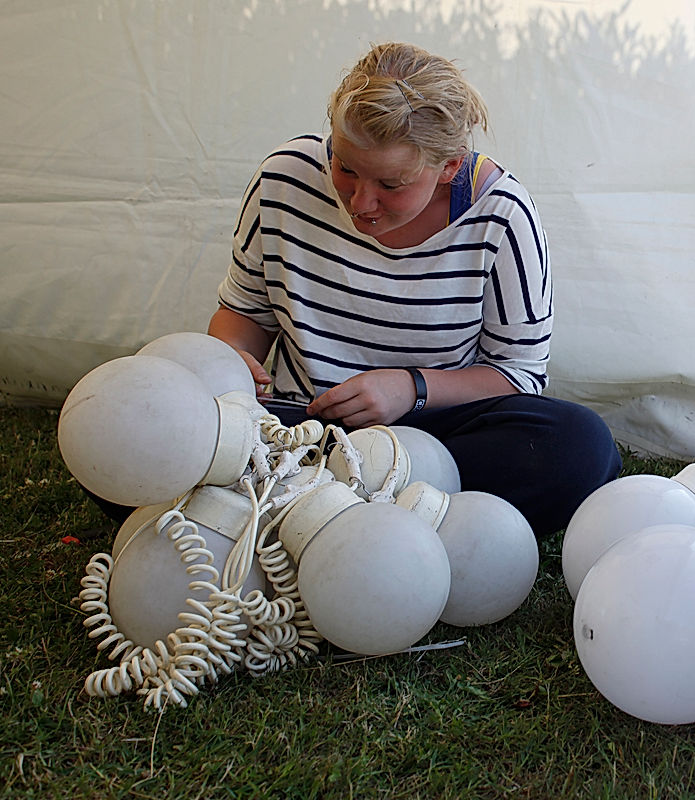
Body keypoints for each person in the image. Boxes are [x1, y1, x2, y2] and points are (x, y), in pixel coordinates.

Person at [208, 42, 621, 537]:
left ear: (449, 167)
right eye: (345, 168)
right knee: (144, 414)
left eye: (392, 183)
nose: (362, 202)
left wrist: (411, 388)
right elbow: (244, 316)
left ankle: (296, 516)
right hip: (298, 429)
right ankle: (399, 524)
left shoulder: (502, 214)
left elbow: (518, 374)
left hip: (429, 438)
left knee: (580, 446)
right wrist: (233, 361)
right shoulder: (284, 179)